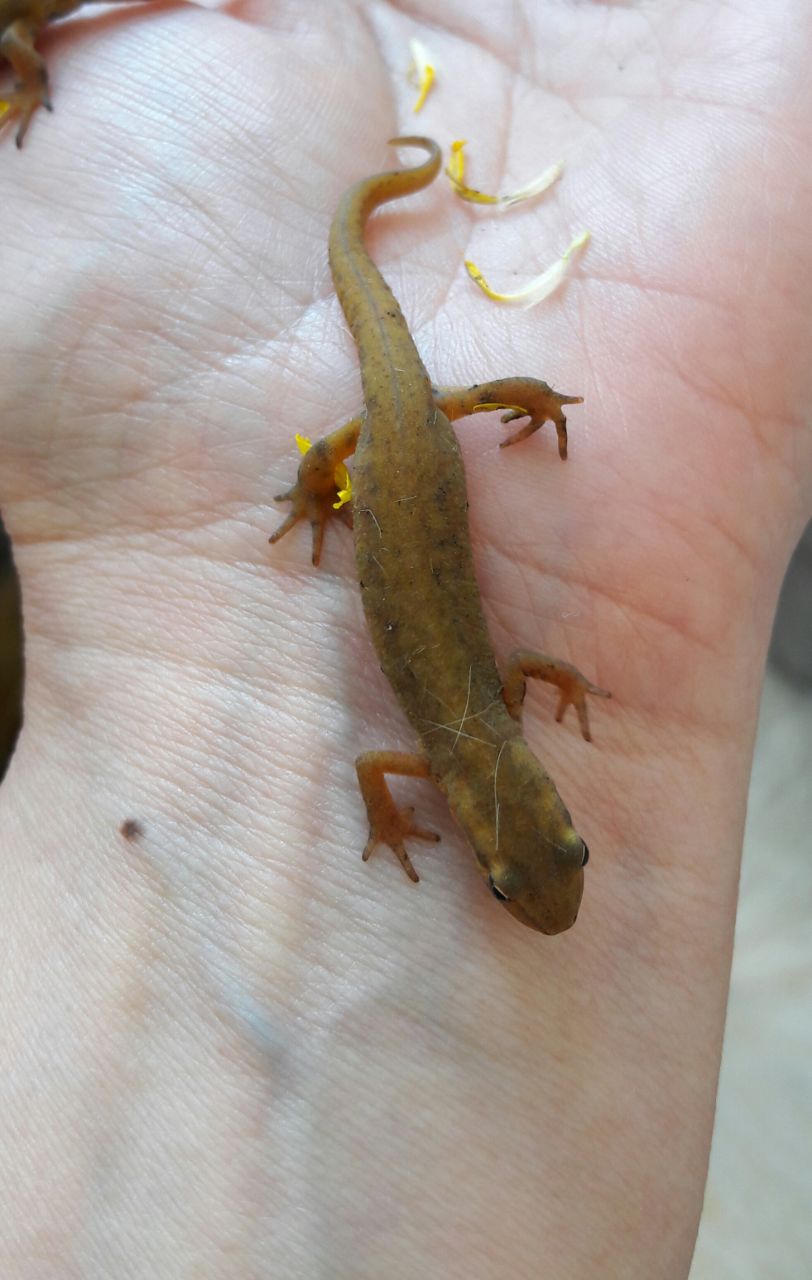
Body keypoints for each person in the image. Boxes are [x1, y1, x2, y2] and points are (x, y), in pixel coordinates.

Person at [1, 1, 810, 1274]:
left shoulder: (446, 744)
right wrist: (325, 489)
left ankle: (400, 420)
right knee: (396, 409)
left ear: (520, 806)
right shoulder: (443, 747)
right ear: (543, 805)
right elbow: (466, 707)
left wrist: (499, 713)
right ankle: (331, 455)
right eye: (555, 849)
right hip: (396, 439)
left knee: (412, 407)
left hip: (413, 437)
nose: (547, 859)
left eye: (522, 864)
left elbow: (464, 709)